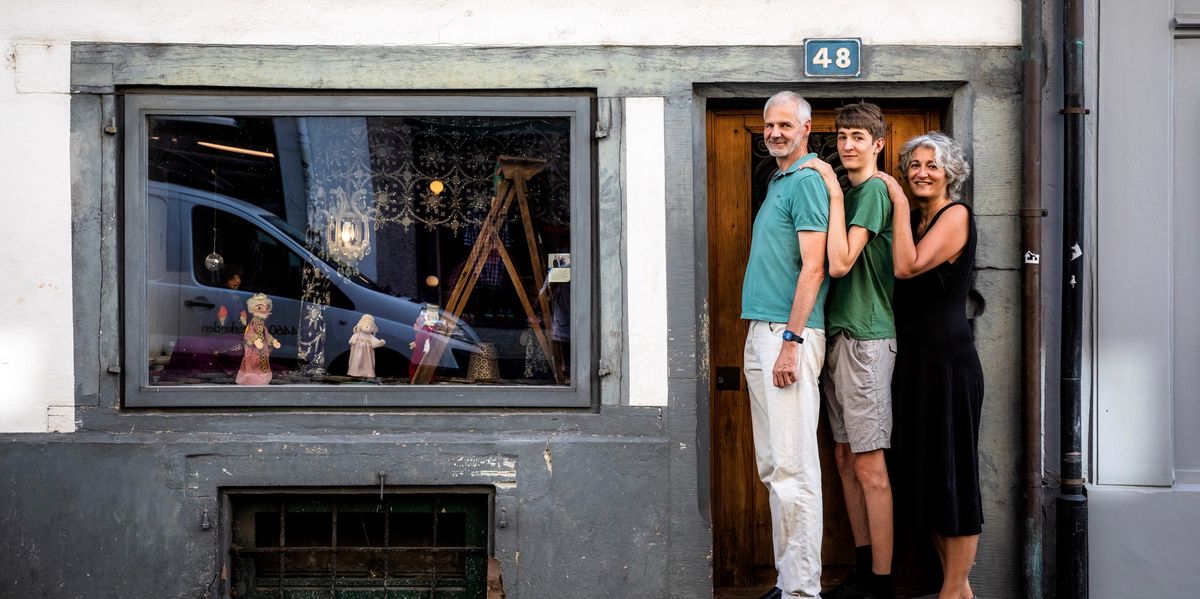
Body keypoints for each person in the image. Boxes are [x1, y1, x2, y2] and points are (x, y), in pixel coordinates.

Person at [874, 132, 984, 599]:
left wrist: (896, 201)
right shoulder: (918, 220)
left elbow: (907, 266)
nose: (921, 172)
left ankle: (954, 591)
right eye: (914, 165)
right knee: (927, 476)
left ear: (949, 174)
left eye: (932, 166)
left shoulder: (954, 216)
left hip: (948, 363)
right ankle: (957, 591)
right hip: (915, 363)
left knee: (954, 475)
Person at [801, 102, 896, 599]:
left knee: (869, 462)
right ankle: (863, 569)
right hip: (839, 336)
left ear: (878, 144)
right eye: (841, 136)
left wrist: (834, 192)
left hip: (867, 338)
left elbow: (839, 263)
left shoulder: (874, 191)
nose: (847, 144)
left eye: (858, 136)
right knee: (844, 456)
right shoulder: (859, 191)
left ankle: (881, 583)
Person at [741, 91, 830, 599]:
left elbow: (814, 266)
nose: (775, 132)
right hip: (765, 331)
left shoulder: (810, 181)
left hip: (788, 334)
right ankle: (789, 581)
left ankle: (802, 593)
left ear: (806, 128)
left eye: (785, 125)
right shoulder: (781, 180)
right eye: (769, 125)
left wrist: (792, 341)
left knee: (794, 467)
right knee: (775, 466)